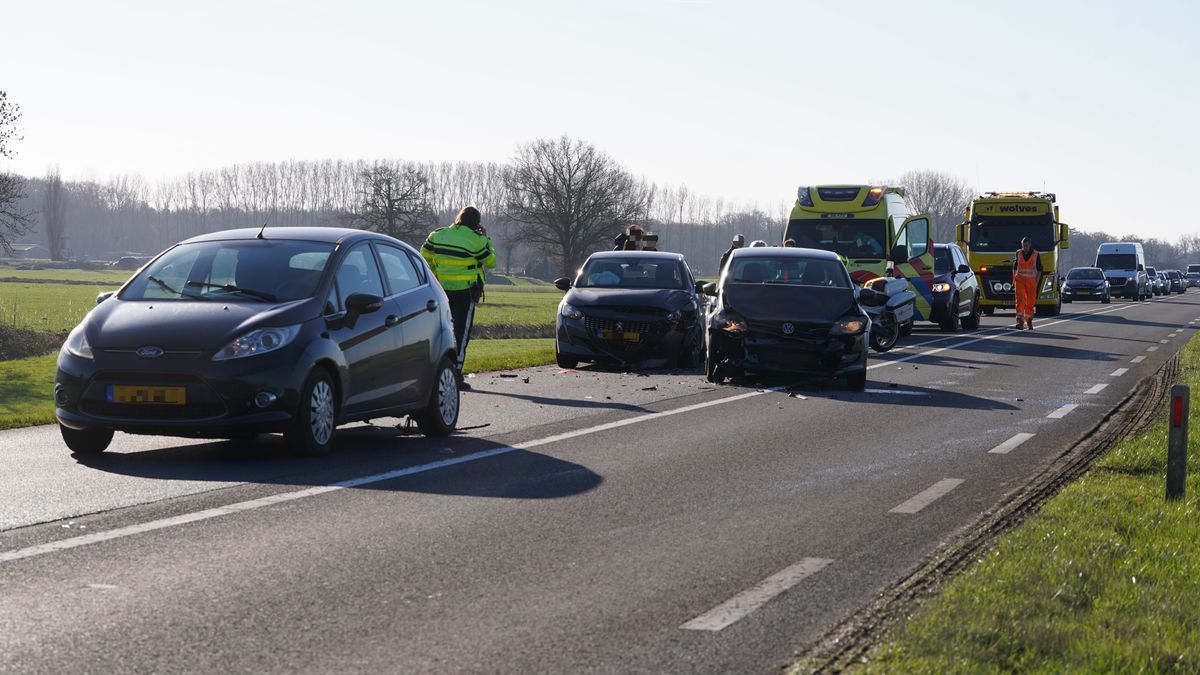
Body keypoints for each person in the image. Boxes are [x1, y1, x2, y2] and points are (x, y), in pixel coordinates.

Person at [421, 206, 497, 388]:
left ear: (459, 218)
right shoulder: (477, 240)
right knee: (460, 334)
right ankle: (455, 375)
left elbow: (424, 255)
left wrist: (436, 274)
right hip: (466, 292)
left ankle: (438, 372)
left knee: (440, 331)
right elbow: (491, 262)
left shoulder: (437, 235)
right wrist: (486, 238)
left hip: (441, 292)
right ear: (476, 223)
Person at [1013, 236, 1043, 330]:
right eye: (1023, 245)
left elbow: (1039, 270)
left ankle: (1029, 320)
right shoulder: (1018, 253)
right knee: (1020, 300)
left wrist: (1036, 282)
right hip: (1020, 281)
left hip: (1031, 282)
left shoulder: (1036, 254)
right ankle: (1020, 321)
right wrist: (1013, 281)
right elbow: (1014, 268)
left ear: (1030, 245)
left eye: (1026, 245)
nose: (1024, 247)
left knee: (1030, 302)